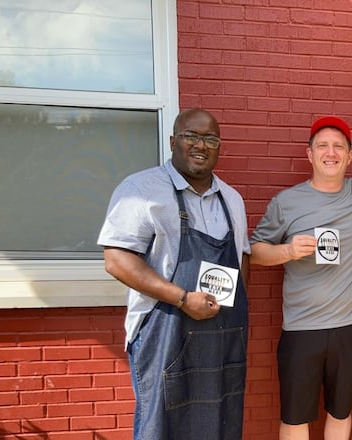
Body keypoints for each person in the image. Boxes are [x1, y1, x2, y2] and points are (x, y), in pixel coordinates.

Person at [97, 108, 251, 440]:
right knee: (162, 430)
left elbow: (241, 260)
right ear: (172, 141)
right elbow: (117, 259)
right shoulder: (141, 189)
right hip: (164, 334)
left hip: (222, 338)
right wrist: (182, 299)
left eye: (210, 138)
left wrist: (230, 311)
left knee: (219, 426)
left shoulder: (232, 199)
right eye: (191, 136)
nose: (201, 145)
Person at [249, 116, 352, 440]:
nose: (331, 153)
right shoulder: (287, 202)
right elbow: (255, 252)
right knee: (294, 417)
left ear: (350, 155)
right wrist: (287, 251)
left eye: (338, 146)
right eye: (323, 146)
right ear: (309, 154)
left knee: (341, 412)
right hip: (302, 328)